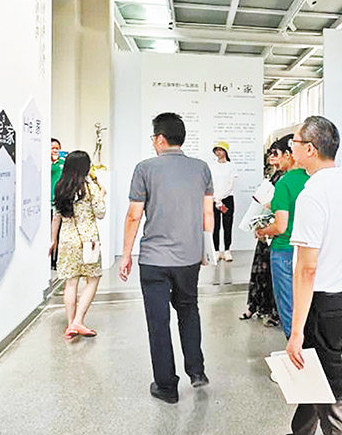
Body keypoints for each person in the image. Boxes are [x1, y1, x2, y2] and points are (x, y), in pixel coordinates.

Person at [262, 116, 342, 435]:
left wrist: (295, 331)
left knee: (332, 396)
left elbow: (306, 269)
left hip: (323, 302)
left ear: (309, 148)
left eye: (295, 142)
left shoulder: (311, 194)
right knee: (318, 378)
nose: (291, 149)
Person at [119, 112, 213, 404]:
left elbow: (134, 216)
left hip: (154, 260)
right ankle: (196, 370)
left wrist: (125, 255)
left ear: (160, 139)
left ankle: (166, 386)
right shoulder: (201, 168)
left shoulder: (145, 168)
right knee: (189, 309)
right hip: (188, 258)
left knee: (158, 321)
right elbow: (207, 214)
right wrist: (204, 249)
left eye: (153, 138)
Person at [256, 134, 309, 337]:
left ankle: (294, 345)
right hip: (308, 249)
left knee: (288, 304)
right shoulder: (312, 179)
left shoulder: (284, 183)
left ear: (289, 155)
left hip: (284, 248)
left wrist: (262, 231)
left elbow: (280, 226)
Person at [51, 150, 106, 340]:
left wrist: (53, 240)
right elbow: (101, 213)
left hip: (67, 240)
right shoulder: (90, 188)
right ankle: (78, 320)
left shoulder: (61, 187)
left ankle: (70, 324)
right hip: (88, 241)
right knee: (93, 279)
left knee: (70, 282)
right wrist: (102, 194)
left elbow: (56, 217)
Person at [241, 143, 282, 325]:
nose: (272, 156)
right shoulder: (273, 176)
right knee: (261, 269)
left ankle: (274, 311)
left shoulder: (287, 178)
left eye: (276, 153)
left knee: (272, 273)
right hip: (265, 229)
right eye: (270, 153)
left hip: (276, 230)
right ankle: (255, 305)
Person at [210, 142, 237, 262]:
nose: (218, 152)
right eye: (216, 150)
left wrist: (221, 197)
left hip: (227, 198)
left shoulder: (231, 166)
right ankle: (216, 251)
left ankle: (227, 250)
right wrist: (215, 198)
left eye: (220, 150)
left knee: (227, 225)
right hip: (214, 199)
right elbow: (209, 182)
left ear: (225, 151)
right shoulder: (211, 166)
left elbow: (230, 184)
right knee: (215, 226)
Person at [50, 138, 65, 270]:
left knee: (58, 233)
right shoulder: (46, 163)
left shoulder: (63, 163)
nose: (55, 151)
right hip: (46, 202)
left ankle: (56, 261)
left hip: (59, 201)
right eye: (52, 148)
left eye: (57, 148)